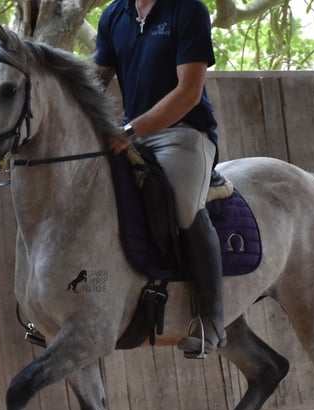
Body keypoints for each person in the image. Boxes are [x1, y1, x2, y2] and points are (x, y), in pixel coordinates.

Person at [94, 0, 226, 358]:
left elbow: (188, 93)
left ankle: (211, 319)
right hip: (131, 132)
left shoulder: (188, 11)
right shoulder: (113, 15)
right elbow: (95, 81)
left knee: (184, 207)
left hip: (184, 133)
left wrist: (130, 130)